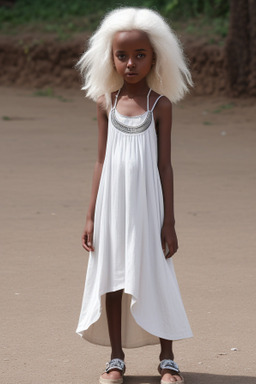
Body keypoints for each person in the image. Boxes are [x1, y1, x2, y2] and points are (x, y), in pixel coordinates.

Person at [76, 7, 193, 384]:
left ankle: (168, 358)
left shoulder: (161, 106)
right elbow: (100, 161)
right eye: (122, 55)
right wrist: (91, 215)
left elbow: (165, 167)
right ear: (110, 58)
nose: (130, 63)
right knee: (111, 276)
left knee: (155, 273)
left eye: (140, 55)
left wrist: (169, 221)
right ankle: (116, 359)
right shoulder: (104, 103)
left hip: (148, 207)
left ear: (154, 57)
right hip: (112, 206)